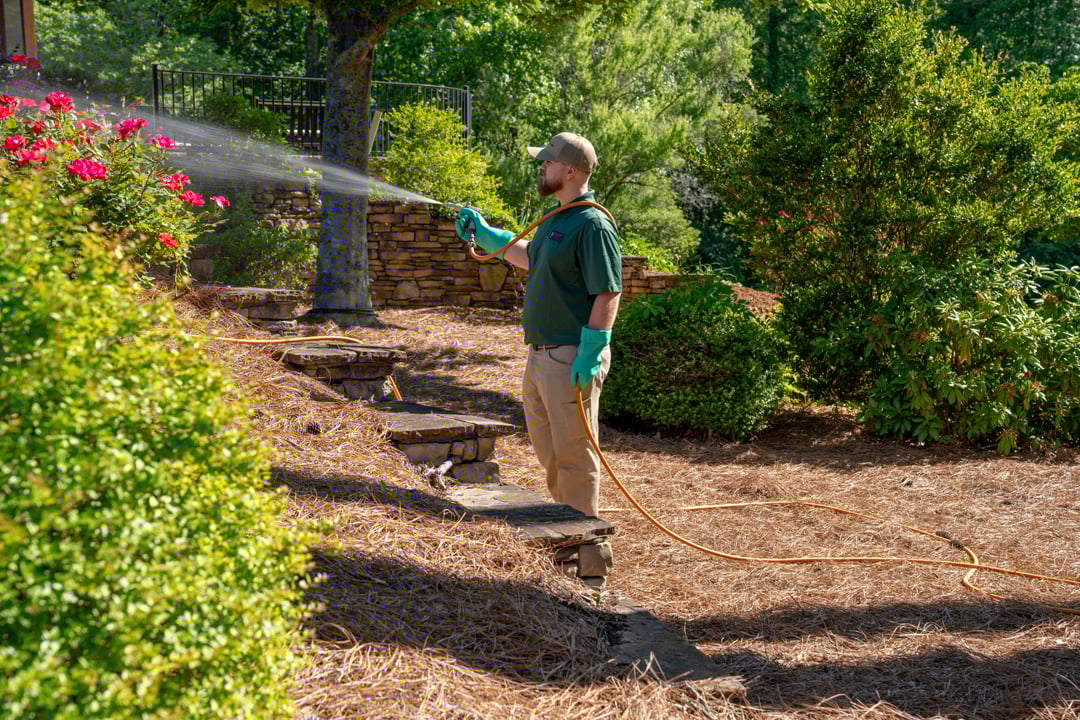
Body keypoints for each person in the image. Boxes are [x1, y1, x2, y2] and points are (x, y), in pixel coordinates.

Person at [455, 132, 622, 586]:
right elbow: (532, 258)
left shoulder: (593, 225)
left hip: (569, 357)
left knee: (575, 460)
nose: (541, 167)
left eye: (547, 162)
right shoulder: (555, 219)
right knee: (552, 458)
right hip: (541, 357)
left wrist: (591, 351)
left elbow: (608, 292)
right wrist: (489, 235)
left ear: (570, 170)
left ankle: (590, 569)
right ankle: (565, 549)